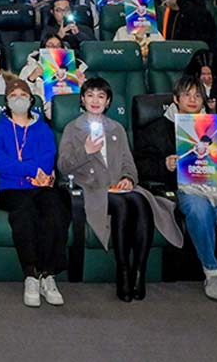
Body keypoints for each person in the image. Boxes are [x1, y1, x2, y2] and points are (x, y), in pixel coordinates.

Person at [133, 76, 217, 303]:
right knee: (199, 209)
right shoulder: (156, 129)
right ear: (176, 100)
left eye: (198, 95)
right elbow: (140, 164)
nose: (193, 99)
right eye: (187, 95)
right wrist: (164, 165)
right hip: (186, 189)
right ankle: (211, 273)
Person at [57, 78, 184, 302]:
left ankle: (139, 271)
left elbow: (129, 163)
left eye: (100, 96)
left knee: (142, 203)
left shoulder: (116, 128)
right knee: (123, 206)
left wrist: (127, 178)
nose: (95, 100)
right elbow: (63, 166)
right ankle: (123, 271)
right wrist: (85, 150)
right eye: (90, 95)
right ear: (83, 99)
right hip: (92, 188)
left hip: (120, 186)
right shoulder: (72, 128)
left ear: (107, 102)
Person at [0, 80, 68, 306]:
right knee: (24, 212)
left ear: (31, 99)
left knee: (55, 209)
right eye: (13, 94)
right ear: (7, 101)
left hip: (40, 186)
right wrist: (31, 169)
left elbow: (48, 155)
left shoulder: (42, 128)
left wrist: (39, 172)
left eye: (23, 94)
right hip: (11, 188)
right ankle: (31, 274)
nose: (19, 98)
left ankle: (48, 274)